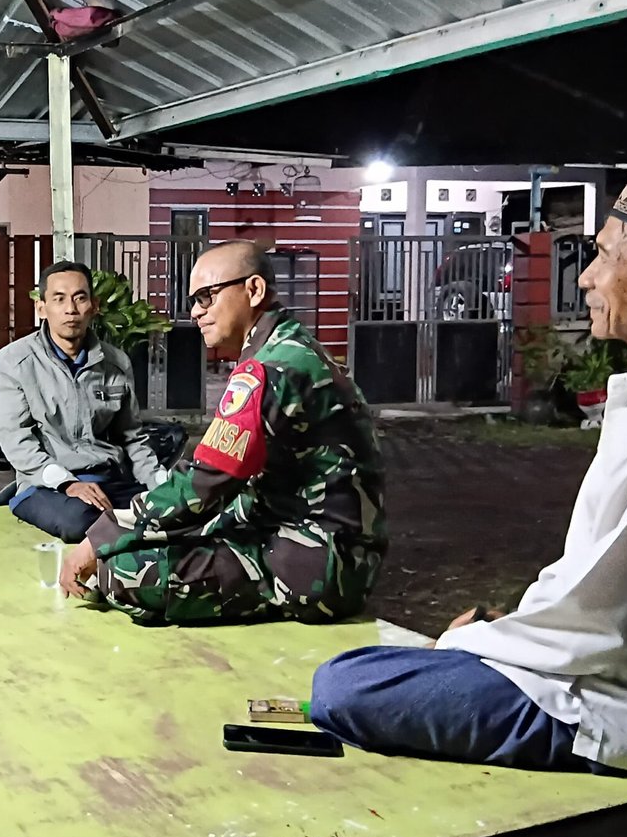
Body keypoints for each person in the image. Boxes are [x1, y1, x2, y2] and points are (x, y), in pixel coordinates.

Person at [311, 158, 627, 777]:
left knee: (345, 684)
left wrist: (471, 641)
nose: (586, 278)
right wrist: (507, 628)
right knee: (384, 666)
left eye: (605, 256)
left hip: (616, 714)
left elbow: (605, 620)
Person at [60, 241, 386, 625]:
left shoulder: (272, 367)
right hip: (314, 545)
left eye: (206, 297)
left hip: (310, 560)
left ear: (254, 290)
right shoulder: (285, 348)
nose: (196, 311)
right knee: (142, 544)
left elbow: (205, 483)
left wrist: (104, 536)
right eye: (193, 301)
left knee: (122, 571)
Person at [0, 261, 160, 543]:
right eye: (59, 299)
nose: (70, 309)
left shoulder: (116, 363)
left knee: (165, 516)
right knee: (82, 523)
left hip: (108, 481)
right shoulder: (16, 361)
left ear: (94, 306)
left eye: (80, 298)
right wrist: (67, 483)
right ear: (41, 308)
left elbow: (132, 437)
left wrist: (160, 485)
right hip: (45, 486)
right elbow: (15, 438)